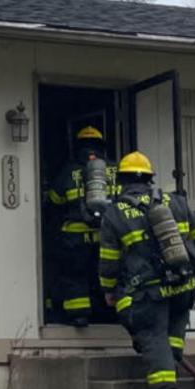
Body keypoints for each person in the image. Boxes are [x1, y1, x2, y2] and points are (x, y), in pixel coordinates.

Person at [99, 152, 195, 389]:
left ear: (121, 180)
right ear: (149, 178)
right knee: (171, 335)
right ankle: (170, 364)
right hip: (185, 285)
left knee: (151, 336)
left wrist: (108, 289)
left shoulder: (115, 213)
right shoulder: (177, 202)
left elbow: (109, 260)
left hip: (148, 292)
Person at [46, 126, 117, 327]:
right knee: (106, 277)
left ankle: (79, 315)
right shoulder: (114, 170)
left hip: (75, 238)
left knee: (74, 277)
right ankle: (110, 314)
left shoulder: (69, 171)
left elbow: (54, 200)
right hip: (107, 238)